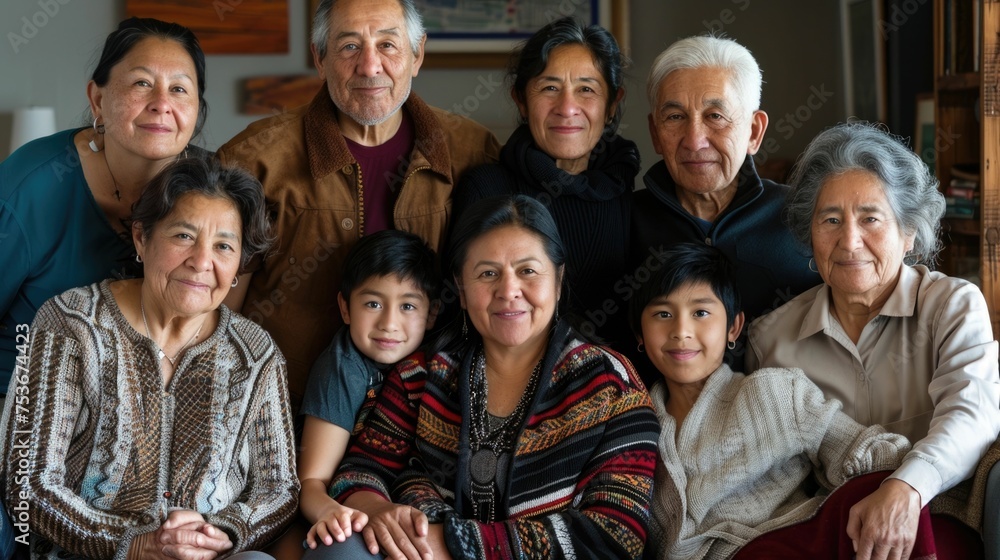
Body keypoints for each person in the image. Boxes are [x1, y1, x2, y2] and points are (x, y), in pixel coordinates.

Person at [305, 195, 658, 559]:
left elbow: (617, 534)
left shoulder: (611, 385)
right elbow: (360, 470)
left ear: (559, 277)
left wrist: (456, 543)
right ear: (460, 287)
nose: (508, 291)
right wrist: (378, 510)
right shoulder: (422, 375)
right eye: (488, 273)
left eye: (528, 271)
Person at [0, 157, 298, 559]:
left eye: (224, 246)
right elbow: (28, 477)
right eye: (183, 236)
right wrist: (135, 545)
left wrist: (222, 533)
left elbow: (278, 489)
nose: (202, 261)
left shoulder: (255, 353)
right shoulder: (69, 324)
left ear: (239, 265)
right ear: (142, 238)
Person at [217, 0, 501, 412]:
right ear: (320, 58)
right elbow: (216, 313)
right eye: (349, 46)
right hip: (283, 406)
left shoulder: (473, 151)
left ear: (417, 54)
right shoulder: (255, 159)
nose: (370, 67)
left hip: (434, 410)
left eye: (388, 45)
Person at [748, 122, 1000, 560]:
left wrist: (906, 486)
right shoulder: (771, 339)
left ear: (909, 234)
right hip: (829, 528)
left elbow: (972, 413)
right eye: (831, 220)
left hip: (937, 512)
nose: (849, 241)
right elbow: (771, 474)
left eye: (870, 218)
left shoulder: (953, 306)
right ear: (810, 236)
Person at [631, 243, 915, 560]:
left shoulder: (776, 393)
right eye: (662, 314)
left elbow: (873, 451)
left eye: (701, 313)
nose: (681, 331)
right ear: (640, 334)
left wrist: (907, 488)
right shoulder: (630, 429)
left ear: (733, 327)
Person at [0, 16, 209, 395]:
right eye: (142, 83)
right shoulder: (29, 185)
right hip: (25, 399)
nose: (162, 104)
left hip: (146, 410)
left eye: (179, 89)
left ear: (196, 111)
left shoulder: (211, 194)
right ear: (98, 98)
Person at [629, 35, 820, 379]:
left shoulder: (804, 219)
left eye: (715, 116)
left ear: (753, 131)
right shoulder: (620, 221)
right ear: (655, 133)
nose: (694, 139)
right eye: (674, 117)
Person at [452, 17, 640, 343]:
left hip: (614, 383)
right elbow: (459, 313)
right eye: (549, 88)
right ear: (521, 101)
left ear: (612, 104)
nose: (567, 108)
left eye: (586, 89)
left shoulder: (629, 192)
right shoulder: (486, 190)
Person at [298, 230, 440, 550]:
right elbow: (311, 482)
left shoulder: (434, 366)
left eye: (407, 306)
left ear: (431, 314)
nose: (388, 323)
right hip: (336, 506)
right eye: (373, 303)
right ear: (346, 308)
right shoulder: (343, 369)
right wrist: (332, 512)